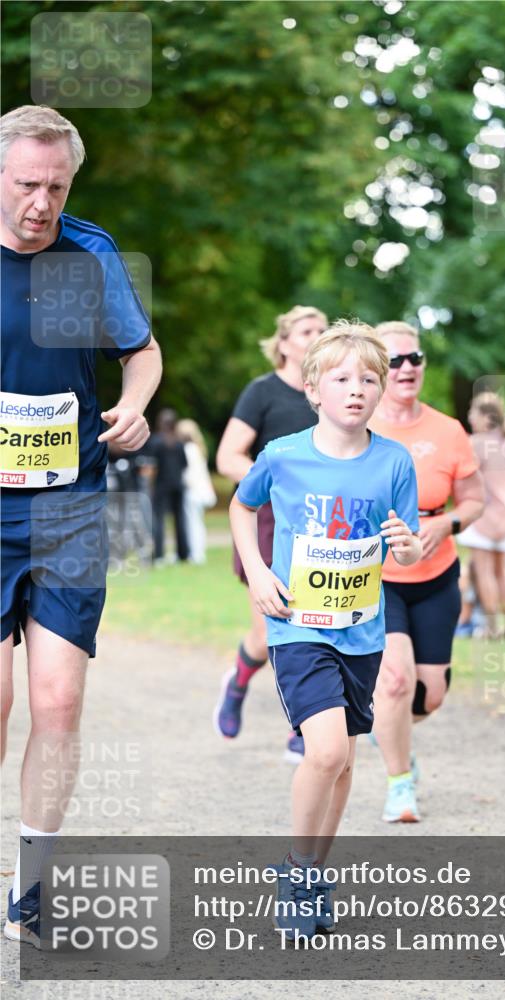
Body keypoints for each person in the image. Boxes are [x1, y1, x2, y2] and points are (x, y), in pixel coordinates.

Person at [0, 105, 162, 946]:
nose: (42, 202)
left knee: (58, 704)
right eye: (28, 183)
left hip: (67, 508)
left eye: (56, 186)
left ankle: (30, 896)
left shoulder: (89, 253)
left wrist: (134, 406)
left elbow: (140, 350)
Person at [230, 321, 421, 939]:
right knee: (328, 750)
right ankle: (295, 869)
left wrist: (409, 547)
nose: (356, 390)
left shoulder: (394, 462)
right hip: (296, 628)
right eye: (341, 379)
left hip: (362, 631)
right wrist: (258, 573)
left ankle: (312, 873)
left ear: (383, 389)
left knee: (342, 765)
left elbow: (408, 551)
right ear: (313, 389)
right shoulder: (284, 455)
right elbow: (241, 505)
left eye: (370, 378)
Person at [368, 321, 484, 822]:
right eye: (395, 361)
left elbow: (476, 500)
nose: (407, 368)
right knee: (394, 680)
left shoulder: (448, 430)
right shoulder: (361, 429)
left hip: (437, 577)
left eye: (414, 358)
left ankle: (394, 733)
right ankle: (399, 784)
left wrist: (448, 524)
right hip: (380, 580)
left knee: (428, 693)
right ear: (378, 369)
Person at [213, 305, 327, 758]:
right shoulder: (262, 392)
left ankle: (304, 726)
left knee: (318, 626)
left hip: (323, 526)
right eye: (306, 330)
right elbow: (227, 457)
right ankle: (238, 680)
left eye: (323, 330)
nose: (316, 336)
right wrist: (278, 484)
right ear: (282, 343)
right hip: (268, 523)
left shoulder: (333, 393)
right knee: (269, 633)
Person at [457, 392, 505, 638]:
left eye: (474, 411)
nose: (470, 416)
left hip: (485, 514)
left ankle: (491, 626)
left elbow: (466, 478)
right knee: (503, 570)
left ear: (485, 417)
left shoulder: (476, 443)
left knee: (484, 571)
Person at [148, 408, 189, 564]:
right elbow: (185, 464)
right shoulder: (179, 443)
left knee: (158, 520)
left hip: (161, 485)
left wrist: (150, 485)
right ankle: (183, 554)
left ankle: (159, 555)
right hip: (178, 485)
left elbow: (152, 467)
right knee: (180, 519)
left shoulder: (156, 441)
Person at [177, 418, 216, 564]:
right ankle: (197, 552)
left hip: (193, 491)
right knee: (198, 522)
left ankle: (197, 554)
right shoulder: (198, 448)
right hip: (200, 490)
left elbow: (189, 473)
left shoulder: (188, 449)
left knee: (193, 523)